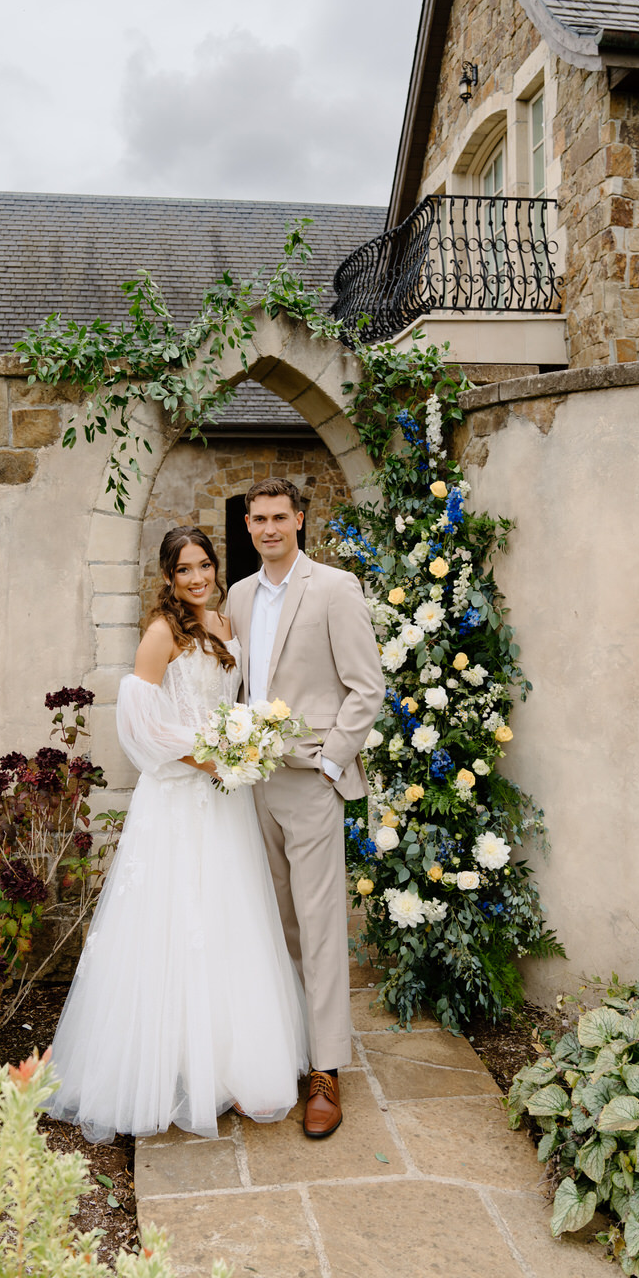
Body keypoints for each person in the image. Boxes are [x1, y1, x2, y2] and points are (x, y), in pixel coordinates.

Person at [46, 526, 308, 1142]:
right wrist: (212, 758)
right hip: (179, 798)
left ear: (216, 568)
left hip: (227, 803)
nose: (196, 577)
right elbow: (142, 727)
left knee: (229, 920)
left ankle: (235, 1066)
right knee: (173, 923)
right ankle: (165, 1069)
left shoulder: (225, 623)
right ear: (167, 577)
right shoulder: (161, 632)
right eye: (184, 569)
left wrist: (242, 750)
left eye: (204, 565)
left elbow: (238, 702)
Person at [228, 479, 386, 1139]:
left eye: (278, 517)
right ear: (247, 525)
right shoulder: (236, 596)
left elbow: (366, 686)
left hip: (309, 780)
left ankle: (326, 1070)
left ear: (299, 519)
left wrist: (329, 762)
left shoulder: (334, 588)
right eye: (257, 519)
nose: (268, 529)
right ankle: (286, 1048)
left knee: (321, 927)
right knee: (273, 924)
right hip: (250, 782)